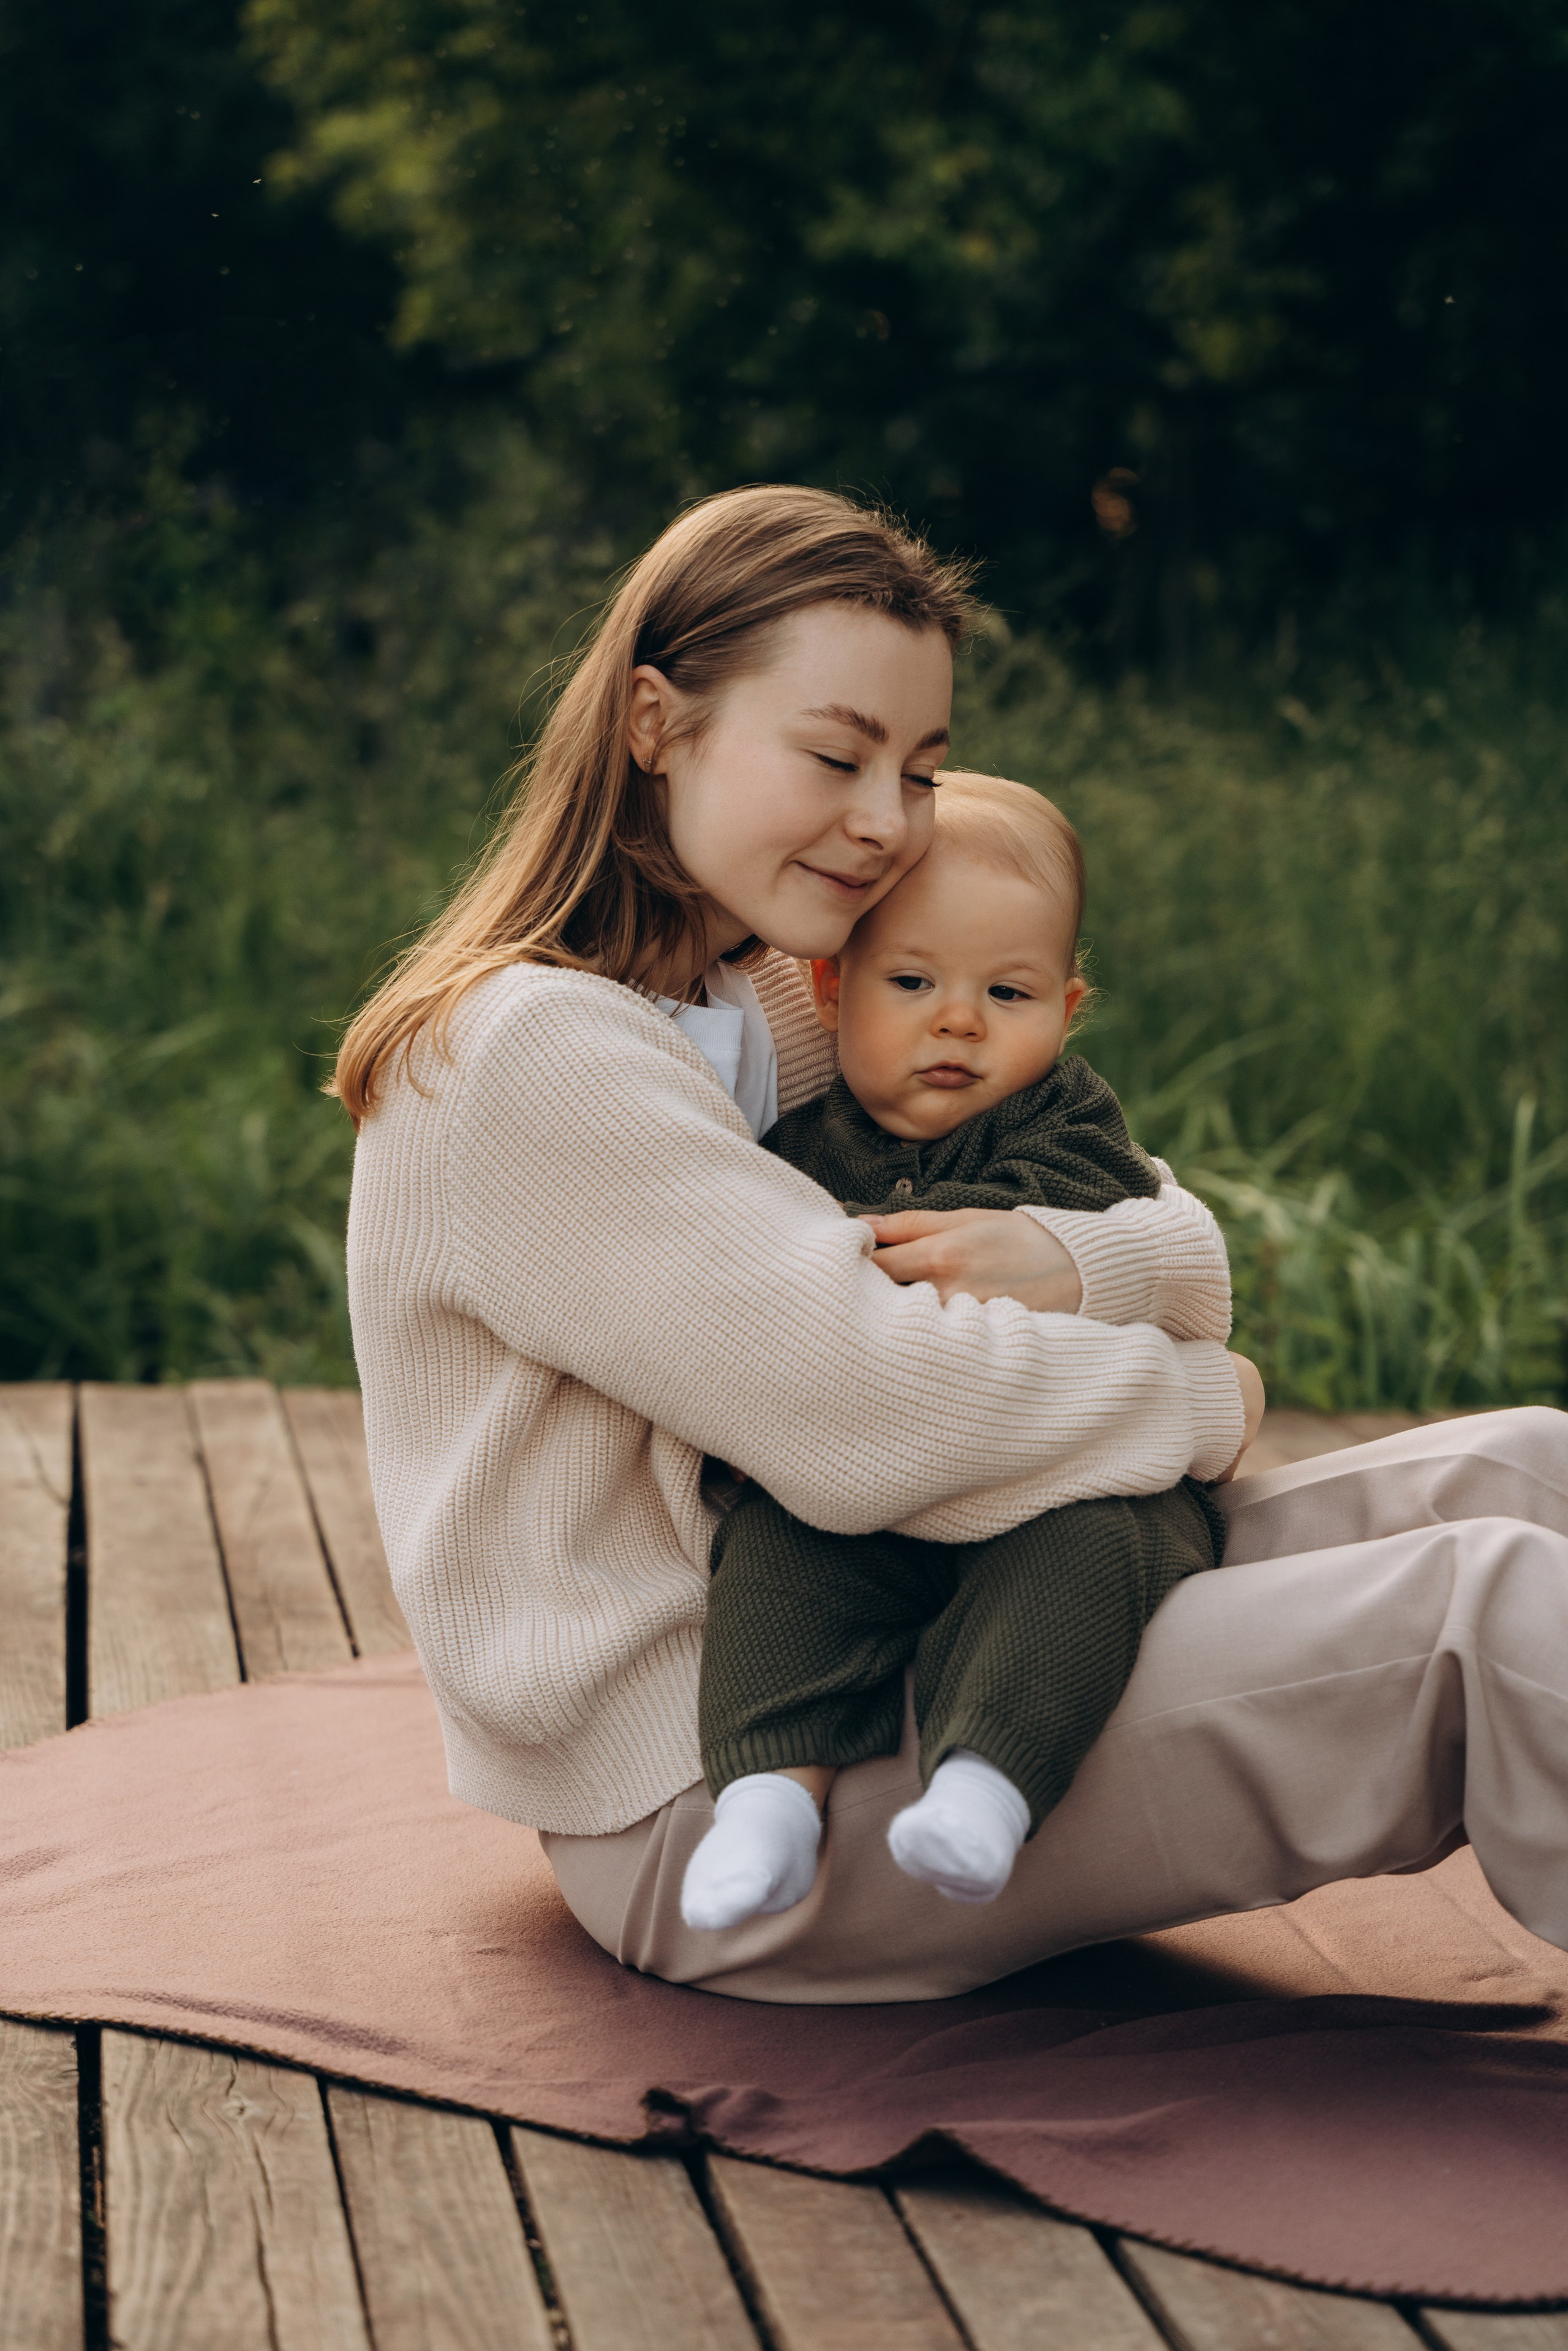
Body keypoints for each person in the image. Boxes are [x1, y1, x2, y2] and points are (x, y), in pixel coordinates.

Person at [339, 483, 1568, 2005]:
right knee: (1488, 1615)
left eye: (918, 769)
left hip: (942, 1595)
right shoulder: (532, 1057)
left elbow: (1168, 1232)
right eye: (835, 753)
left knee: (1530, 1467)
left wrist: (1077, 1268)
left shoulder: (789, 1001)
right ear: (656, 723)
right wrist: (1204, 1402)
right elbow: (881, 1416)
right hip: (735, 1778)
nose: (884, 821)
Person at [682, 773, 1227, 1930]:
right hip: (872, 1500)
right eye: (914, 981)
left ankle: (987, 1786)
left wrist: (1050, 1261)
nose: (960, 1020)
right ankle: (769, 1799)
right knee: (777, 1555)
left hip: (1059, 1477)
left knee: (1085, 1565)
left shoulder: (1068, 1131)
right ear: (833, 990)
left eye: (1010, 991)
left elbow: (1156, 1263)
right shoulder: (792, 1151)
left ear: (1068, 1011)